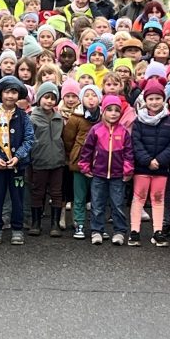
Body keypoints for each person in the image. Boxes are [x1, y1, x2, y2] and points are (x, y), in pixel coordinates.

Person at [0, 76, 34, 246]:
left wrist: (18, 156)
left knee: (17, 197)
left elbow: (29, 139)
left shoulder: (23, 116)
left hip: (18, 166)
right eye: (6, 92)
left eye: (14, 92)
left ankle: (17, 229)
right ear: (0, 93)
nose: (10, 96)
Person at [129, 79, 170, 247]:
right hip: (142, 167)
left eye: (158, 98)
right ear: (145, 101)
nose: (154, 102)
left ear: (163, 100)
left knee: (158, 199)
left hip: (161, 168)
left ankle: (158, 231)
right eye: (151, 99)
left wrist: (159, 160)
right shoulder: (138, 121)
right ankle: (134, 231)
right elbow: (136, 143)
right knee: (139, 198)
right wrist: (147, 160)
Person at [78, 95, 134, 245]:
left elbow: (128, 153)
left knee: (117, 205)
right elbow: (87, 150)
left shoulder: (123, 132)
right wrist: (84, 166)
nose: (113, 113)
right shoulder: (95, 130)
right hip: (98, 174)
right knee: (97, 204)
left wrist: (128, 170)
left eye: (117, 110)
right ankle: (97, 230)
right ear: (103, 111)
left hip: (117, 175)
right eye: (110, 110)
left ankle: (119, 231)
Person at [63, 84, 102, 239]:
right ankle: (79, 223)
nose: (91, 99)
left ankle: (97, 225)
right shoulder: (75, 118)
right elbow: (68, 140)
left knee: (98, 197)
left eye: (94, 95)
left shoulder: (104, 116)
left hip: (100, 162)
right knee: (79, 196)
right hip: (80, 162)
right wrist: (73, 155)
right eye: (87, 95)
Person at [29, 82, 65, 237]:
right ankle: (36, 223)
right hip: (39, 160)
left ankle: (55, 223)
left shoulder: (59, 118)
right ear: (39, 98)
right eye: (46, 97)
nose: (49, 101)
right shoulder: (32, 118)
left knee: (56, 193)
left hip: (57, 161)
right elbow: (29, 139)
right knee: (38, 192)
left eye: (52, 98)